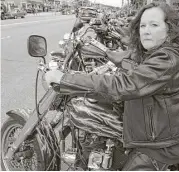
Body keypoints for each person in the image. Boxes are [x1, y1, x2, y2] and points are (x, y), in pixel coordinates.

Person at [45, 2, 179, 170]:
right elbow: (134, 64)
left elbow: (126, 85)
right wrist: (108, 62)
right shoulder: (153, 53)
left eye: (154, 25)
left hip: (158, 148)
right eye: (143, 25)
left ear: (169, 30)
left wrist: (66, 79)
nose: (146, 30)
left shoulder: (167, 59)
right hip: (153, 131)